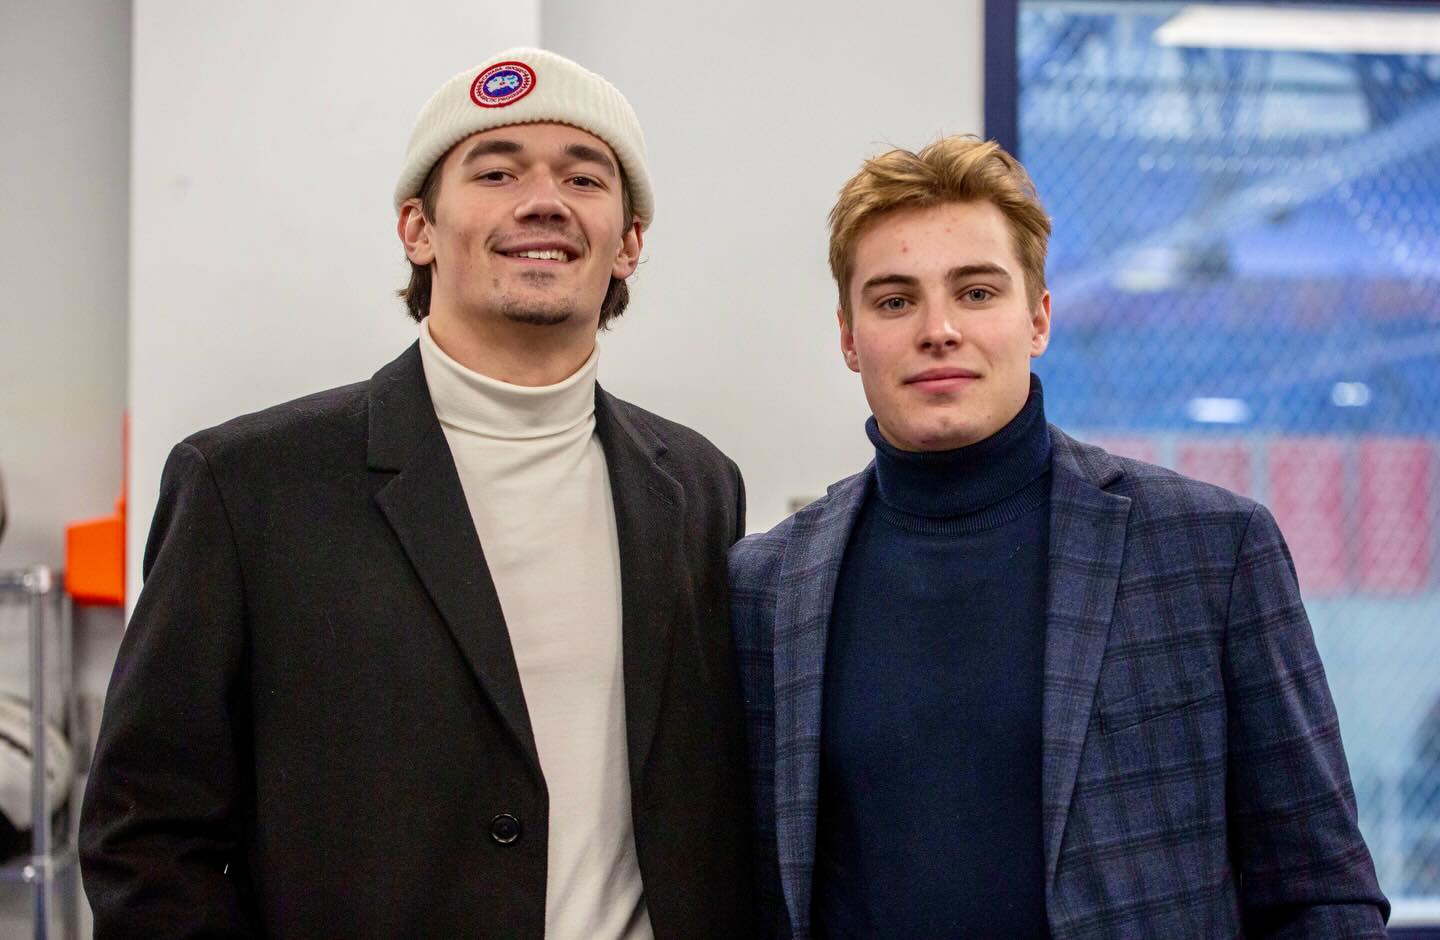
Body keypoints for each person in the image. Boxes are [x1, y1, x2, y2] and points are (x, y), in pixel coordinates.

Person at [80, 48, 754, 939]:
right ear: (418, 229)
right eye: (497, 170)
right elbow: (146, 836)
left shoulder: (699, 487)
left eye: (584, 177)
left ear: (628, 241)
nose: (542, 199)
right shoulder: (247, 488)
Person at [729, 135, 1389, 938]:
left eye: (976, 293)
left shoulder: (1209, 551)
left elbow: (1321, 893)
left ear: (1038, 318)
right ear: (848, 336)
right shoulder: (766, 587)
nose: (938, 329)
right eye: (895, 300)